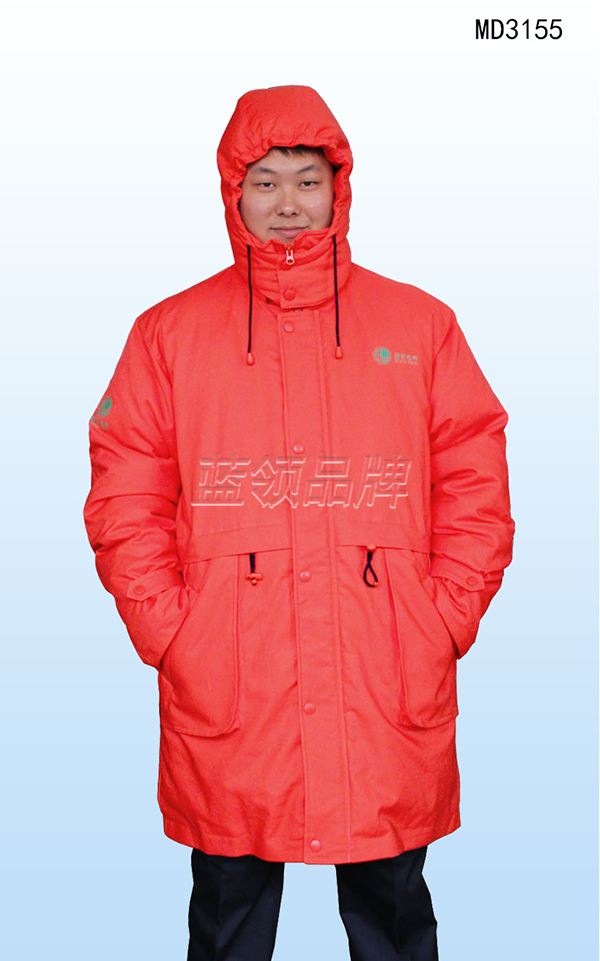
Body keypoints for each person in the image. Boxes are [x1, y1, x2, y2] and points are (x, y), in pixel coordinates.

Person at [84, 85, 515, 960]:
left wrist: (442, 615)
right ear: (232, 193)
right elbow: (125, 492)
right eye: (266, 181)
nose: (288, 203)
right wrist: (172, 627)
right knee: (229, 915)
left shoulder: (420, 324)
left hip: (383, 665)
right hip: (232, 672)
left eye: (308, 180)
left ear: (339, 188)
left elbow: (475, 479)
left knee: (394, 908)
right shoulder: (169, 333)